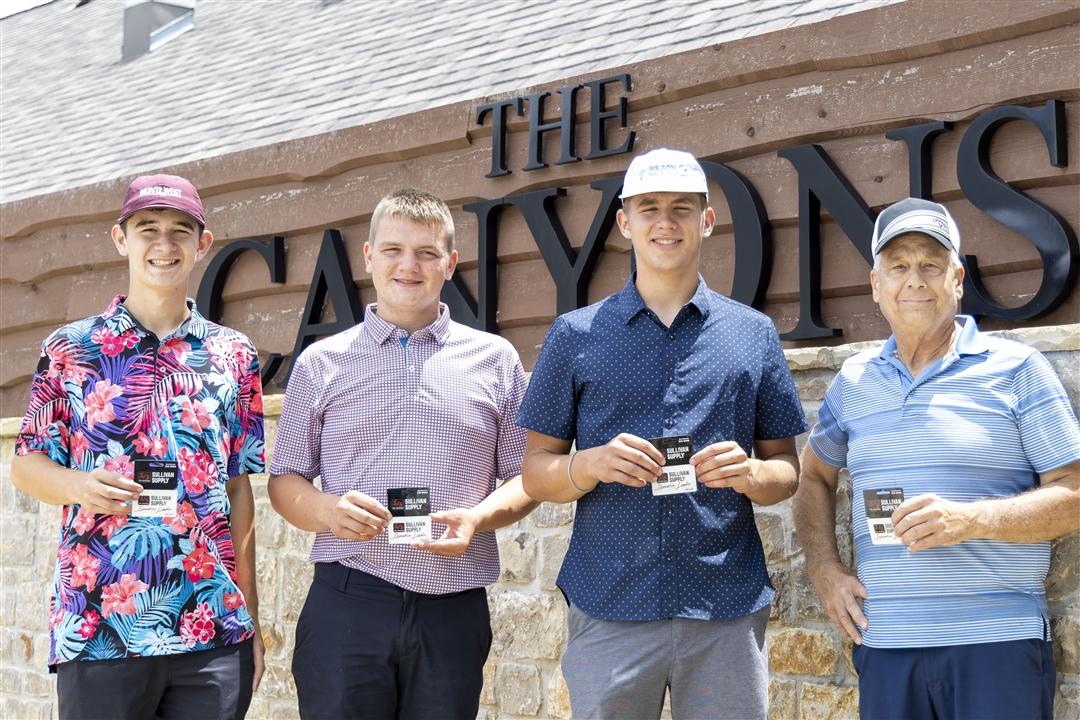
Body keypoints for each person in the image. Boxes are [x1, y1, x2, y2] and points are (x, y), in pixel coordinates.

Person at [517, 148, 808, 719]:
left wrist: (752, 473)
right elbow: (535, 473)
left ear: (708, 220)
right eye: (648, 207)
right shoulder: (575, 335)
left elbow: (786, 471)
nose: (665, 222)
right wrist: (588, 464)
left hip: (724, 607)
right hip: (609, 603)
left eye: (681, 207)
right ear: (625, 222)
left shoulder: (753, 333)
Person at [792, 197, 1080, 720]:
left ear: (957, 279)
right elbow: (812, 477)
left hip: (996, 645)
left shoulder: (1018, 370)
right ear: (875, 284)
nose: (915, 280)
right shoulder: (853, 382)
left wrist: (972, 519)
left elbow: (1074, 494)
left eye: (930, 264)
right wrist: (824, 569)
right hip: (886, 646)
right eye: (898, 266)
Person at [268, 188, 536, 720]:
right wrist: (328, 510)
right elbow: (285, 479)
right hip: (349, 598)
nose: (408, 266)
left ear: (450, 264)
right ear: (369, 257)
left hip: (452, 607)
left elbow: (525, 477)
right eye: (393, 250)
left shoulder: (495, 359)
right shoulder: (321, 362)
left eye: (426, 253)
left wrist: (478, 518)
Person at [11, 174, 265, 719]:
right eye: (147, 228)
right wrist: (81, 485)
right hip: (99, 628)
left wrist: (252, 617)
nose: (164, 244)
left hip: (212, 628)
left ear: (203, 244)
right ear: (120, 239)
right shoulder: (70, 348)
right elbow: (26, 463)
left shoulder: (235, 354)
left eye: (180, 230)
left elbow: (239, 488)